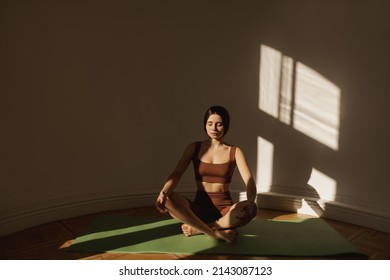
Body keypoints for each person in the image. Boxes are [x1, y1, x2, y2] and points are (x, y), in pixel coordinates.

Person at [155, 106, 257, 242]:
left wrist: (250, 201)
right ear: (205, 125)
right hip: (199, 210)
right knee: (168, 198)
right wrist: (164, 192)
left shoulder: (235, 151)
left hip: (225, 212)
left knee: (251, 208)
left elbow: (249, 180)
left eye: (219, 124)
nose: (214, 128)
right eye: (210, 124)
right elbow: (177, 173)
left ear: (225, 126)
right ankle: (214, 233)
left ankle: (200, 228)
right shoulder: (194, 148)